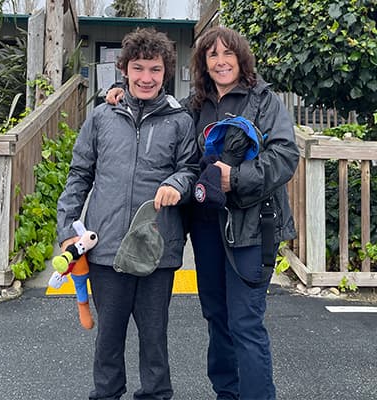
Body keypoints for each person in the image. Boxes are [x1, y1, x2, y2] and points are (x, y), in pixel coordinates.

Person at [106, 26, 299, 400]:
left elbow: (285, 157)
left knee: (245, 322)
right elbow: (153, 100)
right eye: (213, 55)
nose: (221, 61)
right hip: (207, 227)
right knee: (216, 317)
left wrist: (236, 178)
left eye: (228, 54)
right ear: (203, 62)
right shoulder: (196, 104)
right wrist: (112, 93)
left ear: (241, 59)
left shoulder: (264, 101)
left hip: (251, 228)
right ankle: (227, 394)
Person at [57, 27, 198, 400]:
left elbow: (191, 168)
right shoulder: (102, 117)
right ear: (124, 69)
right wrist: (67, 229)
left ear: (166, 71)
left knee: (154, 341)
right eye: (138, 68)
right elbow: (79, 174)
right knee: (108, 341)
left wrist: (178, 183)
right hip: (105, 250)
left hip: (157, 250)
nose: (146, 78)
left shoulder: (180, 120)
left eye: (154, 69)